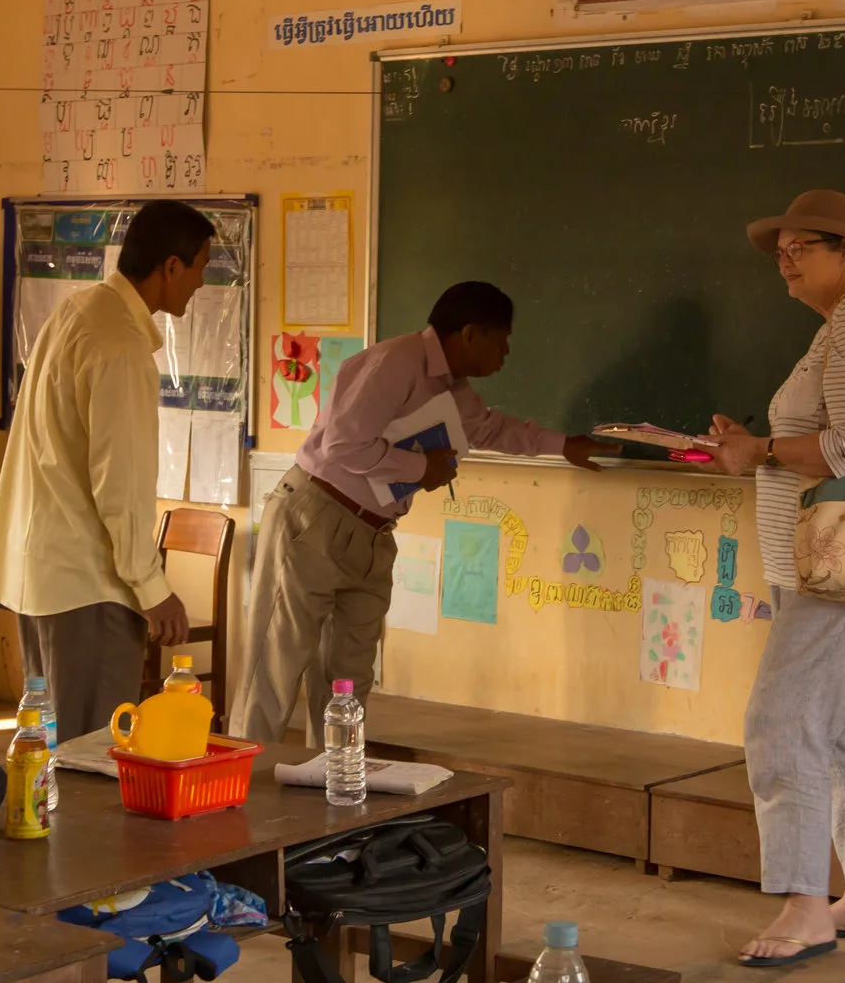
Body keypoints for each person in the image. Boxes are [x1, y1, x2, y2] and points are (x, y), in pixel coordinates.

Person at [702, 191, 845, 968]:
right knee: (834, 726)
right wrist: (756, 445)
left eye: (801, 246)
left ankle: (805, 905)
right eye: (780, 249)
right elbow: (839, 437)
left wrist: (760, 450)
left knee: (779, 723)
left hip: (842, 569)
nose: (785, 260)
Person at [234, 281, 605, 748]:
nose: (507, 353)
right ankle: (236, 795)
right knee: (276, 664)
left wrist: (564, 445)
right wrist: (420, 467)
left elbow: (492, 429)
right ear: (470, 334)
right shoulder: (396, 363)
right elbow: (343, 444)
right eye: (502, 338)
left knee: (348, 680)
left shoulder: (455, 392)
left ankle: (329, 793)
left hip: (371, 534)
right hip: (316, 516)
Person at [0, 198, 211, 742]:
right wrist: (151, 587)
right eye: (199, 266)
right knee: (90, 754)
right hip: (88, 585)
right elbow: (119, 485)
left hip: (41, 575)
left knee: (47, 747)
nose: (201, 282)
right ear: (170, 266)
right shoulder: (121, 348)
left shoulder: (77, 311)